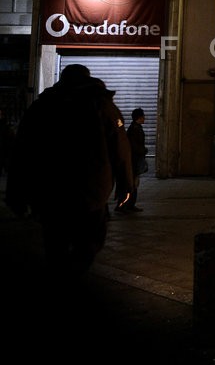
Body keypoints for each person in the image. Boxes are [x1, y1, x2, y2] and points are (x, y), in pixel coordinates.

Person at [4, 64, 133, 278]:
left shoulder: (42, 106)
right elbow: (121, 149)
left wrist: (15, 192)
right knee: (90, 240)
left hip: (50, 190)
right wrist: (126, 185)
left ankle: (62, 277)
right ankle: (74, 274)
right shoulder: (103, 106)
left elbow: (22, 151)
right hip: (91, 190)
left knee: (56, 242)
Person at [117, 107, 148, 213]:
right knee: (131, 183)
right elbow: (134, 146)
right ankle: (125, 205)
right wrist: (144, 150)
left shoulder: (135, 128)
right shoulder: (135, 129)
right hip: (133, 161)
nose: (145, 118)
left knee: (133, 182)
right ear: (139, 117)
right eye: (143, 116)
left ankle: (129, 204)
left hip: (134, 160)